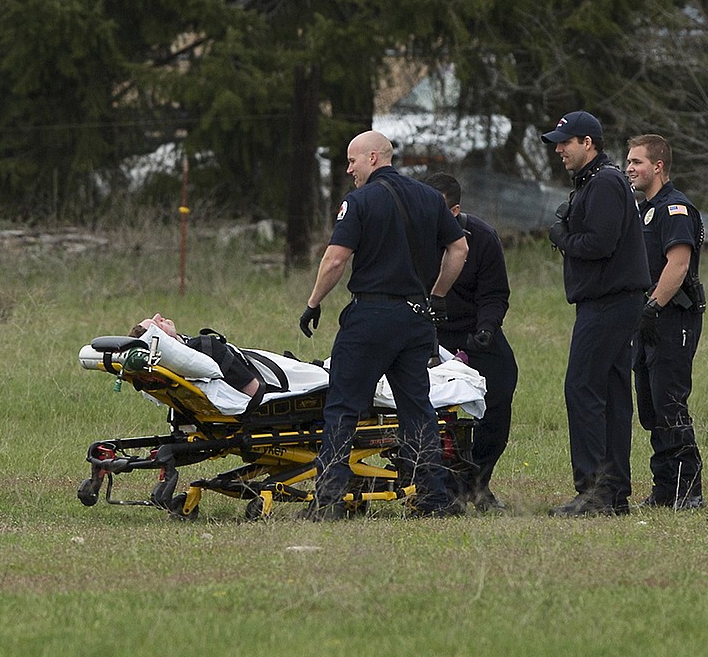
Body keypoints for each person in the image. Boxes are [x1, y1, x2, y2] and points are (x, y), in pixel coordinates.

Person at [298, 130, 468, 519]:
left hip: (371, 319)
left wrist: (313, 303)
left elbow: (336, 260)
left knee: (343, 406)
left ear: (373, 158)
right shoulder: (429, 197)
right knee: (418, 409)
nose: (349, 169)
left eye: (352, 161)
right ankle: (433, 498)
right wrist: (436, 295)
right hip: (416, 320)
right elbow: (459, 247)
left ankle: (329, 500)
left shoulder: (359, 201)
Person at [544, 111, 650, 517]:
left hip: (607, 304)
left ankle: (593, 491)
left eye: (565, 142)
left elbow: (599, 243)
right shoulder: (599, 181)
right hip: (615, 303)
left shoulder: (604, 182)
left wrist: (562, 237)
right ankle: (614, 493)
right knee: (611, 395)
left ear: (588, 142)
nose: (559, 149)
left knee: (583, 390)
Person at [420, 172, 519, 512]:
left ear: (455, 210)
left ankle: (478, 480)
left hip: (472, 330)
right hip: (425, 331)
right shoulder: (411, 237)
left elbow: (494, 293)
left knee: (502, 384)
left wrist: (487, 328)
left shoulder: (483, 237)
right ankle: (436, 483)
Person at [624, 134, 705, 510]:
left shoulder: (675, 209)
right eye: (628, 162)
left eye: (637, 162)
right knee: (652, 406)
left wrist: (653, 306)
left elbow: (679, 264)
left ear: (658, 166)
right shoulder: (643, 210)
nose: (629, 168)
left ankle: (688, 490)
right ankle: (663, 488)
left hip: (673, 319)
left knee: (670, 401)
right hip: (650, 320)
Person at [129, 313, 260, 397]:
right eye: (157, 324)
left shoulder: (176, 367)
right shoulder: (207, 347)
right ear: (164, 340)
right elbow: (256, 392)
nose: (158, 315)